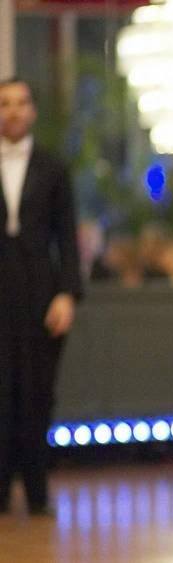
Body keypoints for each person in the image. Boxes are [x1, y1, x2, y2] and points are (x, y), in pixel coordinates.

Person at [0, 78, 82, 515]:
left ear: (32, 111)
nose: (13, 111)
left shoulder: (53, 167)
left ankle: (36, 489)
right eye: (4, 104)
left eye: (20, 103)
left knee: (37, 392)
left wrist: (67, 293)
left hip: (40, 291)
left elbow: (67, 236)